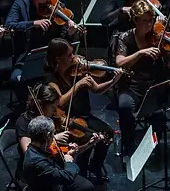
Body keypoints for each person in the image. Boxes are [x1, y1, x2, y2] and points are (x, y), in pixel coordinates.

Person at [114, 0, 170, 155]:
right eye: (145, 21)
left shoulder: (158, 38)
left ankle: (151, 147)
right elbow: (119, 62)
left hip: (154, 87)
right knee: (124, 107)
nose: (150, 25)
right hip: (131, 87)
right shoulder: (125, 38)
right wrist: (140, 53)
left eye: (151, 20)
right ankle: (128, 148)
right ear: (135, 20)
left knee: (158, 114)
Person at [44, 38, 117, 182]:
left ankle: (95, 165)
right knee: (90, 137)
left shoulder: (77, 71)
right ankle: (81, 171)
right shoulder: (51, 78)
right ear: (58, 58)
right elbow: (60, 102)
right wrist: (78, 85)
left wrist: (114, 80)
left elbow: (96, 89)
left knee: (107, 132)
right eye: (70, 55)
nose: (74, 57)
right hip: (69, 121)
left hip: (85, 116)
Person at [4, 0, 82, 105]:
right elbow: (9, 25)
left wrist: (70, 32)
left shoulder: (54, 5)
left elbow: (62, 37)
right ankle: (28, 108)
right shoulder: (20, 4)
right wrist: (33, 23)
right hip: (25, 59)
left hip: (51, 61)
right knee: (15, 80)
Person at [15, 84, 97, 191]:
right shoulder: (23, 122)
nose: (55, 112)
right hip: (38, 171)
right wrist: (54, 138)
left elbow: (54, 148)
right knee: (84, 187)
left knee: (86, 187)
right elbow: (28, 151)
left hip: (53, 162)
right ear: (41, 105)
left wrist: (72, 147)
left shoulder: (50, 118)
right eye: (53, 108)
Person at [21, 116, 104, 191]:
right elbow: (67, 177)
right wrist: (69, 161)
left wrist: (72, 154)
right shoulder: (37, 162)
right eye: (53, 134)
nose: (54, 138)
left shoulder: (37, 150)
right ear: (47, 135)